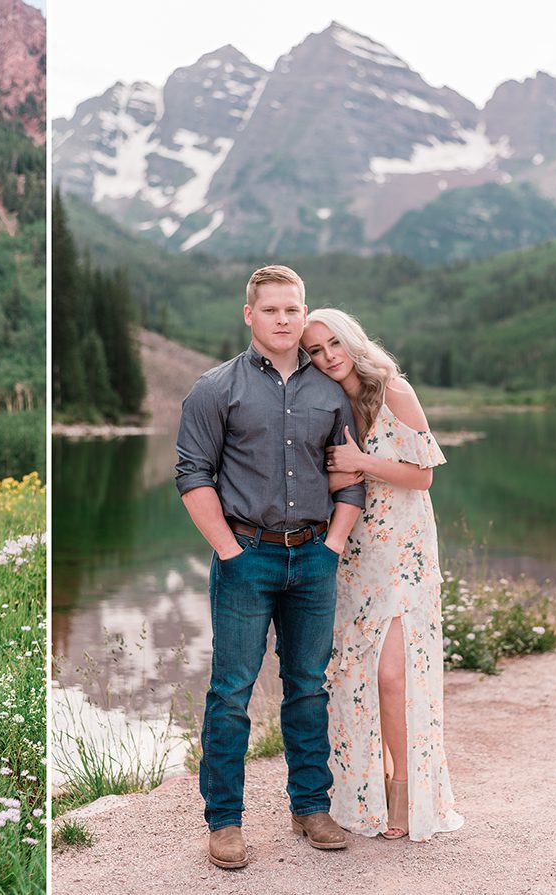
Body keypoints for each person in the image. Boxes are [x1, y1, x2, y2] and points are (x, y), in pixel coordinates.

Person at [176, 265, 365, 869]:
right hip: (246, 557)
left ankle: (310, 806)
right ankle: (225, 823)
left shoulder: (330, 391)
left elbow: (349, 475)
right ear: (250, 315)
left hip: (314, 557)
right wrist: (229, 551)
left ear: (302, 313)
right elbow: (191, 475)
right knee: (230, 692)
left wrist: (333, 545)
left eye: (293, 310)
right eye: (273, 310)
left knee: (308, 687)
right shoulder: (215, 388)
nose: (284, 320)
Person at [301, 308, 464, 842]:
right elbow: (331, 482)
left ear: (350, 340)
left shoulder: (395, 392)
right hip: (354, 554)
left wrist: (361, 461)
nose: (327, 357)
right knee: (355, 677)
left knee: (394, 677)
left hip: (403, 552)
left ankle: (405, 794)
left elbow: (423, 476)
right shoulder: (329, 403)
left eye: (333, 344)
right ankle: (359, 792)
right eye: (315, 351)